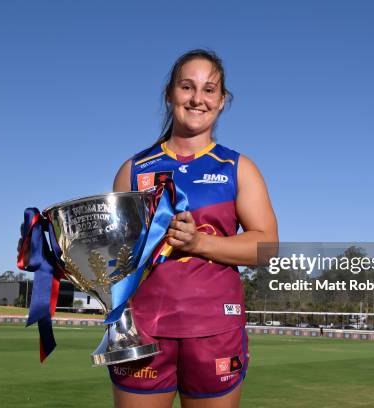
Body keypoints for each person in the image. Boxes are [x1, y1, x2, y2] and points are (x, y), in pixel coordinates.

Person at [111, 49, 278, 408]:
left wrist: (199, 242)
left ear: (222, 100)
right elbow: (113, 257)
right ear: (170, 93)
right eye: (187, 87)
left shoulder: (238, 167)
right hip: (142, 328)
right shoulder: (134, 169)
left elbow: (267, 248)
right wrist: (58, 252)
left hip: (214, 331)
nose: (197, 99)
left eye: (209, 89)